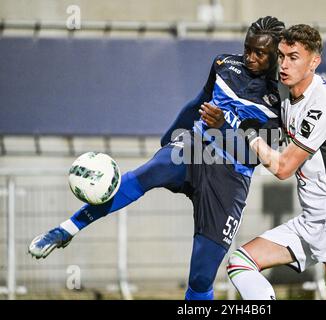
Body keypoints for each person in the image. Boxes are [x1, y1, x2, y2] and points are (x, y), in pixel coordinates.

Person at [28, 16, 285, 300]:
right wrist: (170, 136)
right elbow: (199, 100)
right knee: (147, 173)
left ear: (276, 55)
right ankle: (66, 229)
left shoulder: (281, 98)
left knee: (200, 277)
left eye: (259, 53)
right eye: (247, 47)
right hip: (195, 147)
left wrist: (224, 125)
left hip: (231, 175)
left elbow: (259, 154)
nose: (250, 56)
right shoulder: (224, 64)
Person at [224, 24, 326, 300]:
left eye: (293, 57)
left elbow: (283, 168)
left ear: (314, 62)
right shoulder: (283, 91)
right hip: (311, 218)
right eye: (281, 56)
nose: (284, 64)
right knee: (240, 263)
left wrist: (248, 133)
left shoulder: (322, 105)